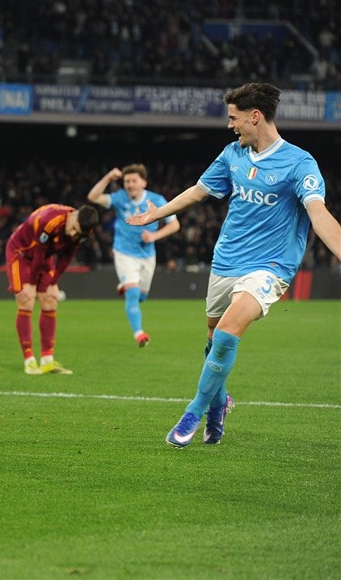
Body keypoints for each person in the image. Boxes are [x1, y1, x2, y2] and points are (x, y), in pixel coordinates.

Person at [127, 82, 341, 447]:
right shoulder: (232, 155)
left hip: (269, 267)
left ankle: (193, 411)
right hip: (226, 262)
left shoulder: (300, 163)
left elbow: (318, 213)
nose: (230, 125)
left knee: (227, 332)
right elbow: (198, 192)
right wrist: (156, 214)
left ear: (254, 116)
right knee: (214, 342)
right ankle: (218, 405)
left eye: (234, 118)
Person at [87, 165, 181, 347]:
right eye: (126, 181)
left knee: (141, 297)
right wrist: (108, 177)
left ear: (143, 183)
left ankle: (125, 286)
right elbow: (93, 197)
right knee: (132, 294)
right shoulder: (119, 198)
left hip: (147, 255)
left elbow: (174, 225)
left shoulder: (157, 200)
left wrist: (154, 236)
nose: (129, 185)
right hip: (124, 252)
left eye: (133, 181)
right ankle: (139, 333)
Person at [5, 204, 100, 375]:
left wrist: (53, 282)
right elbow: (38, 253)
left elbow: (67, 256)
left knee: (50, 301)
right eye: (73, 228)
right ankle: (29, 361)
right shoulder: (50, 222)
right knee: (26, 301)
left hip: (44, 256)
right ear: (74, 215)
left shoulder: (84, 230)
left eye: (78, 233)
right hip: (21, 253)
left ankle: (47, 361)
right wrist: (32, 285)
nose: (73, 234)